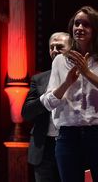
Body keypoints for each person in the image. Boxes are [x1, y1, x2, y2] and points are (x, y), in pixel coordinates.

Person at [41, 6, 98, 182]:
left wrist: (86, 72)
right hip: (67, 136)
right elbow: (48, 102)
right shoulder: (59, 60)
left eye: (86, 24)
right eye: (77, 23)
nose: (79, 28)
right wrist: (66, 83)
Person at [22, 32, 70, 182]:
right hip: (43, 147)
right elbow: (26, 113)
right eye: (52, 47)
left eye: (60, 47)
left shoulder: (81, 75)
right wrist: (46, 99)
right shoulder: (39, 79)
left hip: (70, 144)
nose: (55, 50)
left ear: (72, 48)